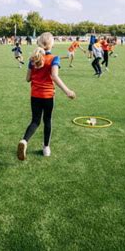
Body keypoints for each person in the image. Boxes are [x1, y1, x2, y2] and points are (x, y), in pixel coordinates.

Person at [17, 32, 76, 161]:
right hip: (48, 96)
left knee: (35, 121)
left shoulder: (33, 59)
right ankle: (46, 149)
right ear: (51, 44)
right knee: (47, 121)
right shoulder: (54, 58)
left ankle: (24, 141)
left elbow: (27, 79)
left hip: (35, 95)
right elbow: (54, 76)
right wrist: (67, 91)